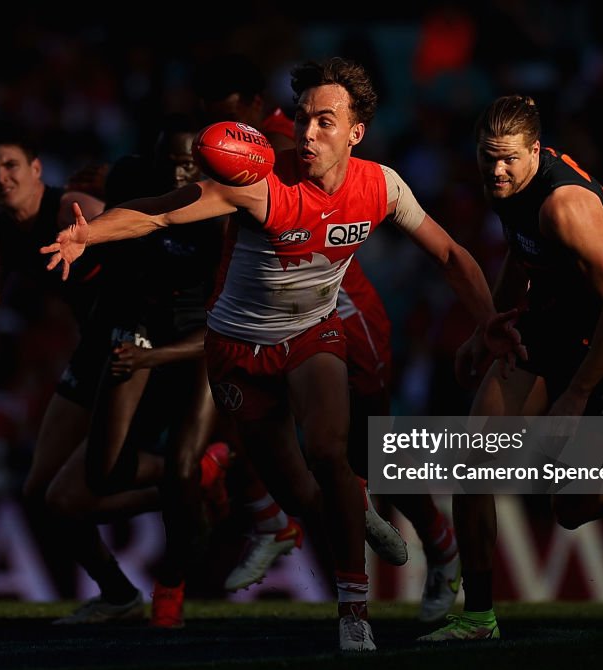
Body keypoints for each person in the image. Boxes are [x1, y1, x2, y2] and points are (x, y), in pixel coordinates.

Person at [43, 58, 523, 652]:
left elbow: (451, 255)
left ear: (356, 132)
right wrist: (87, 233)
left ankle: (354, 612)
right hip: (237, 350)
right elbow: (161, 209)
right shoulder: (261, 184)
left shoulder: (382, 185)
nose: (309, 132)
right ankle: (358, 513)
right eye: (302, 119)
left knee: (331, 448)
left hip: (314, 336)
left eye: (326, 121)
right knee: (302, 496)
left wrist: (488, 324)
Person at [0, 124, 211, 625]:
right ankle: (123, 586)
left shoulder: (75, 210)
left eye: (10, 165)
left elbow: (145, 255)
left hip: (128, 346)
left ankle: (188, 485)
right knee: (42, 496)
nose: (1, 177)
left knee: (74, 492)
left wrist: (149, 340)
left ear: (36, 169)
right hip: (92, 351)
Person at [195, 54, 461, 620]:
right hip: (255, 318)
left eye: (222, 117)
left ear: (246, 108)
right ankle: (283, 514)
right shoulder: (242, 147)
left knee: (369, 448)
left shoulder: (275, 142)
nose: (215, 133)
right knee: (279, 444)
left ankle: (439, 546)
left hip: (340, 307)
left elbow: (435, 245)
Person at [420, 95, 603, 642]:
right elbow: (522, 253)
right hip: (545, 329)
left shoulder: (564, 208)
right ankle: (478, 616)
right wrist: (488, 327)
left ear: (536, 152)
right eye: (487, 157)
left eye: (507, 160)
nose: (495, 170)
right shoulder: (510, 183)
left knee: (567, 507)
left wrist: (576, 394)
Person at [43, 115, 227, 629]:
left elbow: (224, 330)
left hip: (197, 341)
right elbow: (105, 197)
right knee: (103, 476)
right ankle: (196, 478)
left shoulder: (229, 208)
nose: (178, 174)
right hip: (139, 328)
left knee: (182, 467)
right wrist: (85, 231)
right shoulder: (129, 179)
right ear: (150, 162)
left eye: (189, 164)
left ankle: (170, 587)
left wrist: (151, 358)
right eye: (169, 163)